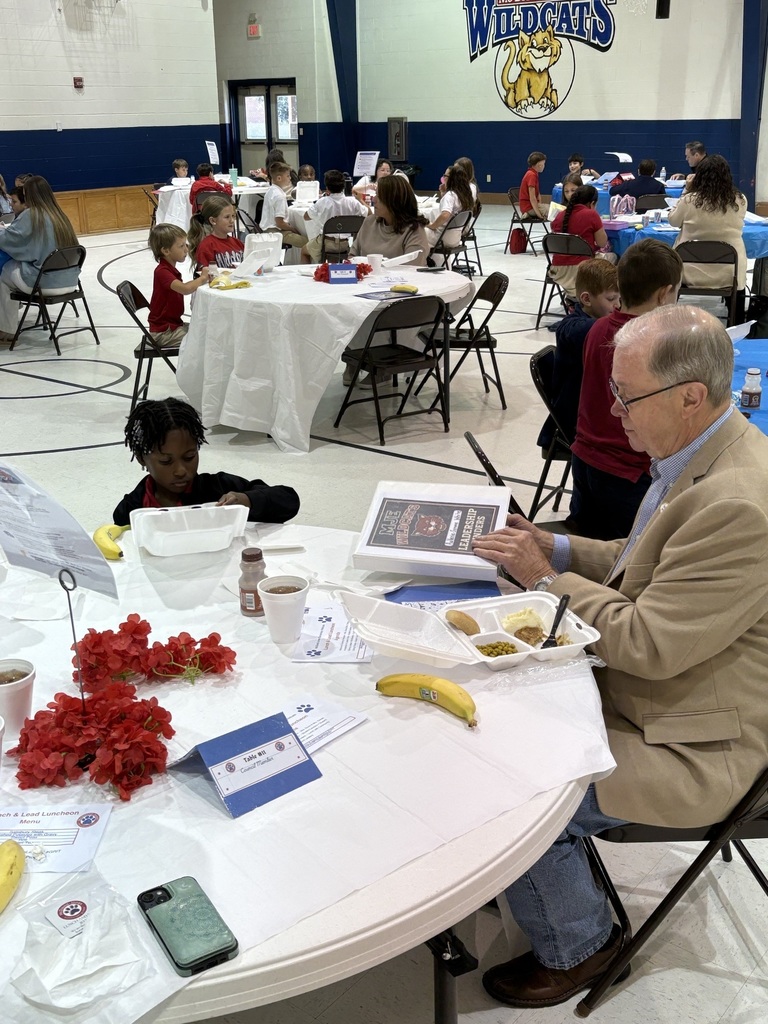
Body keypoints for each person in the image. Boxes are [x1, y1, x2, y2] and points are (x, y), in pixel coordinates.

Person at [472, 303, 768, 1011]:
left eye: (626, 396)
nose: (611, 411)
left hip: (697, 739)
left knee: (517, 784)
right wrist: (558, 548)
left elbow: (649, 644)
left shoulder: (738, 501)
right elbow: (644, 569)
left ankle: (582, 944)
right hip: (672, 693)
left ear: (690, 396)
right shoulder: (697, 455)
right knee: (492, 709)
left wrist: (545, 581)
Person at [569, 238, 683, 539]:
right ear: (663, 294)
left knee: (590, 541)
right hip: (627, 472)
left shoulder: (597, 328)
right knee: (628, 559)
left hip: (585, 460)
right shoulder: (654, 344)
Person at [114, 398, 300, 526]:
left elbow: (288, 500)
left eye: (189, 457)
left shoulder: (218, 488)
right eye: (165, 461)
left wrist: (246, 500)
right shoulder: (131, 509)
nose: (180, 471)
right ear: (141, 458)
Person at [537, 259, 621, 453]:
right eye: (610, 299)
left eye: (619, 299)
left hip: (591, 410)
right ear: (586, 299)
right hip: (575, 422)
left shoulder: (598, 319)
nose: (617, 305)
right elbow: (596, 330)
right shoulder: (571, 328)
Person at [668, 153, 747, 322]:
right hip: (729, 272)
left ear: (699, 176)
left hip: (690, 271)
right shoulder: (740, 200)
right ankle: (738, 324)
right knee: (739, 277)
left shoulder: (689, 200)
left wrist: (688, 189)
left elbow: (673, 221)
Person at [0, 174, 79, 343]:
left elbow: (9, 240)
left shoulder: (32, 215)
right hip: (71, 281)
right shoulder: (60, 215)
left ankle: (6, 331)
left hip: (44, 283)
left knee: (3, 273)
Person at [147, 223, 210, 348]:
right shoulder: (162, 272)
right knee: (206, 340)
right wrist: (203, 278)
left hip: (173, 326)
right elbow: (185, 289)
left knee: (208, 331)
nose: (186, 249)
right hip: (163, 333)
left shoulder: (170, 269)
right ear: (166, 250)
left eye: (185, 244)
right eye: (181, 246)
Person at [548, 185, 615, 298]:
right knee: (613, 257)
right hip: (582, 271)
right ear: (592, 203)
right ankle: (601, 298)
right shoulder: (591, 214)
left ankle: (574, 297)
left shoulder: (559, 215)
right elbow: (602, 243)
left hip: (557, 271)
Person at [350, 173, 429, 265]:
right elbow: (352, 256)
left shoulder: (414, 230)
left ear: (394, 200)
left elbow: (413, 269)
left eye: (378, 196)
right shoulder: (369, 222)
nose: (374, 199)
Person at [301, 169, 365, 264]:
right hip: (345, 244)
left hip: (327, 243)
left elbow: (306, 217)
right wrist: (360, 200)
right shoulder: (353, 202)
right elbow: (368, 214)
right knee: (333, 257)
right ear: (343, 186)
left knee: (304, 251)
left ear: (327, 188)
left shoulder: (323, 202)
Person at [258, 161, 308, 258]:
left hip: (268, 230)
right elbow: (279, 223)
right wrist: (293, 229)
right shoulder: (279, 196)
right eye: (288, 176)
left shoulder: (271, 190)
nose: (290, 178)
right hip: (276, 232)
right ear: (279, 178)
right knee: (307, 242)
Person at [424, 163, 475, 250]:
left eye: (445, 175)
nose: (443, 178)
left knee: (415, 230)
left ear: (451, 179)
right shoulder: (464, 195)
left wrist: (433, 225)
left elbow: (445, 214)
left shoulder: (450, 195)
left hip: (442, 237)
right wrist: (444, 193)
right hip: (455, 238)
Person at [187, 195, 244, 272]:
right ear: (213, 221)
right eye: (227, 217)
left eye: (233, 216)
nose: (232, 220)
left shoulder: (237, 243)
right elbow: (205, 275)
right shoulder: (207, 246)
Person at [519, 151, 547, 220]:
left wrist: (540, 205)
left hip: (530, 206)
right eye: (543, 163)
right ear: (539, 164)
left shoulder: (534, 174)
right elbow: (532, 197)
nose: (544, 166)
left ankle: (528, 214)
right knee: (552, 212)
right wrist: (539, 214)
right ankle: (528, 213)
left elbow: (537, 194)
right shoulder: (531, 175)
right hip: (528, 207)